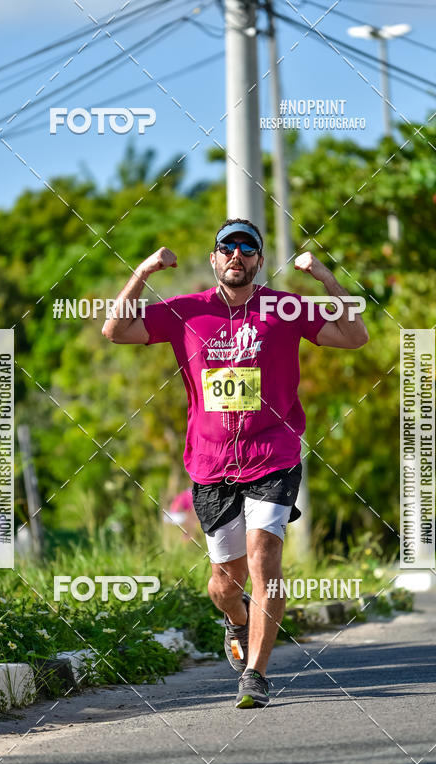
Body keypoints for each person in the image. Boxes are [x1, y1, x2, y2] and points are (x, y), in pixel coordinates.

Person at [102, 218, 369, 707]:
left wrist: (326, 279)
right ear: (215, 258)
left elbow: (355, 338)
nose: (237, 255)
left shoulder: (284, 308)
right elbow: (115, 329)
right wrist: (144, 269)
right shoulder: (188, 312)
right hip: (211, 466)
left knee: (266, 561)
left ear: (259, 262)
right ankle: (238, 619)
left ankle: (255, 676)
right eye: (228, 247)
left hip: (274, 456)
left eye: (248, 249)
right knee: (224, 585)